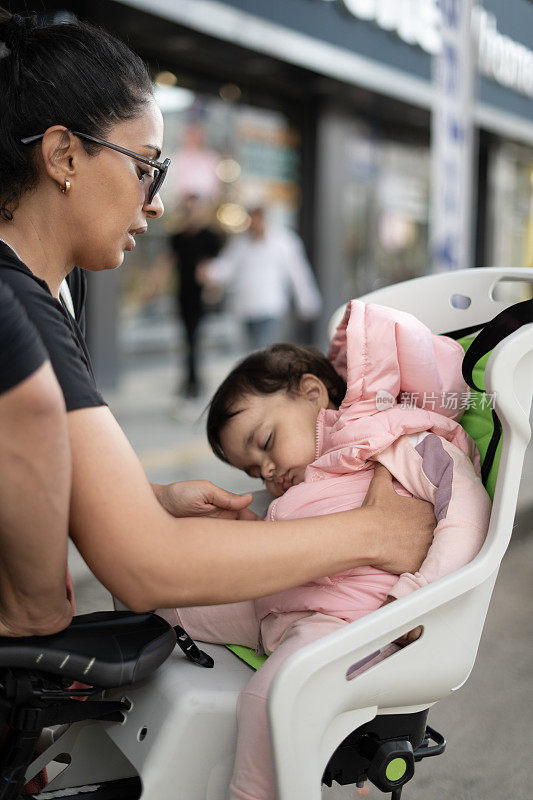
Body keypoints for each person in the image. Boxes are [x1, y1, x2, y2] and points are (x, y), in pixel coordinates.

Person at [0, 9, 436, 624]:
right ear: (64, 155)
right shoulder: (15, 301)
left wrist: (142, 499)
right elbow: (147, 566)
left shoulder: (54, 286)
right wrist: (376, 534)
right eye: (146, 166)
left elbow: (28, 466)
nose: (154, 203)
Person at [167, 300, 492, 800]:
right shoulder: (307, 478)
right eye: (253, 471)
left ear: (313, 392)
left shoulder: (393, 436)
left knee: (273, 696)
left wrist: (420, 598)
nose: (268, 472)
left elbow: (465, 507)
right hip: (279, 600)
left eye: (266, 442)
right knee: (162, 592)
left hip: (351, 625)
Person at [0, 280, 72, 637]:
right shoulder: (16, 290)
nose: (155, 218)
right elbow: (35, 407)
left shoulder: (71, 281)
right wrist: (35, 610)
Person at [198, 206, 322, 349]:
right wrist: (208, 272)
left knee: (264, 350)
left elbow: (298, 273)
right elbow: (225, 267)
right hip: (246, 308)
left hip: (271, 307)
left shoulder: (283, 241)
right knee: (252, 352)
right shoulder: (240, 243)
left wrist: (307, 301)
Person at [170, 194, 222, 398]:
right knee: (187, 339)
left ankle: (193, 381)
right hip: (183, 295)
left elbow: (219, 267)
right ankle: (191, 379)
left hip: (202, 297)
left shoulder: (210, 237)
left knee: (196, 338)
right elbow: (168, 262)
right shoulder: (178, 237)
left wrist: (213, 288)